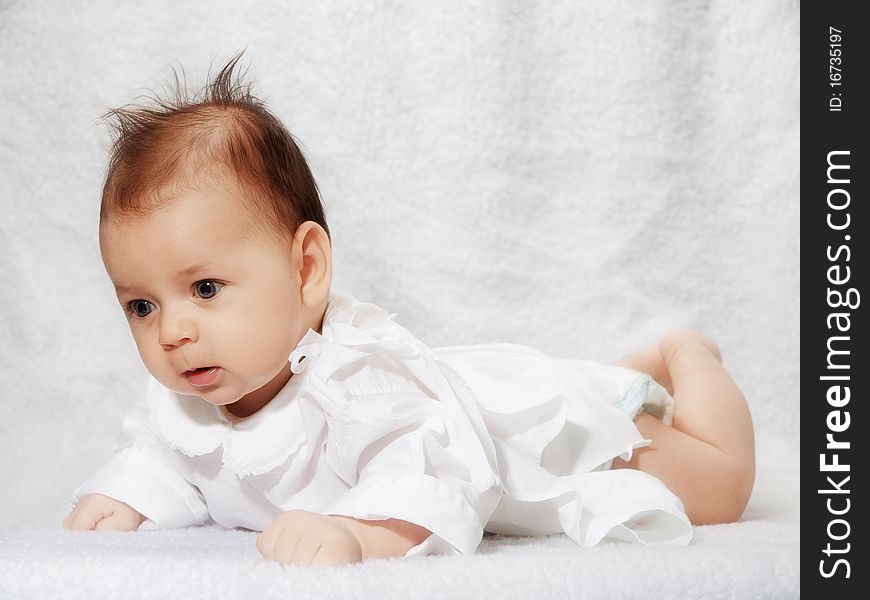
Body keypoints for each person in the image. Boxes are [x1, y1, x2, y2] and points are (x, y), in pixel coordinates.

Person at [62, 54, 755, 567]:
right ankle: (625, 368)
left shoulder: (363, 382)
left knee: (719, 489)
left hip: (551, 442)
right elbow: (165, 456)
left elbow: (426, 473)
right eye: (142, 305)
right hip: (489, 390)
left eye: (205, 289)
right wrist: (132, 497)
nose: (173, 332)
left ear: (306, 271)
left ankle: (686, 354)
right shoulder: (187, 393)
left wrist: (362, 535)